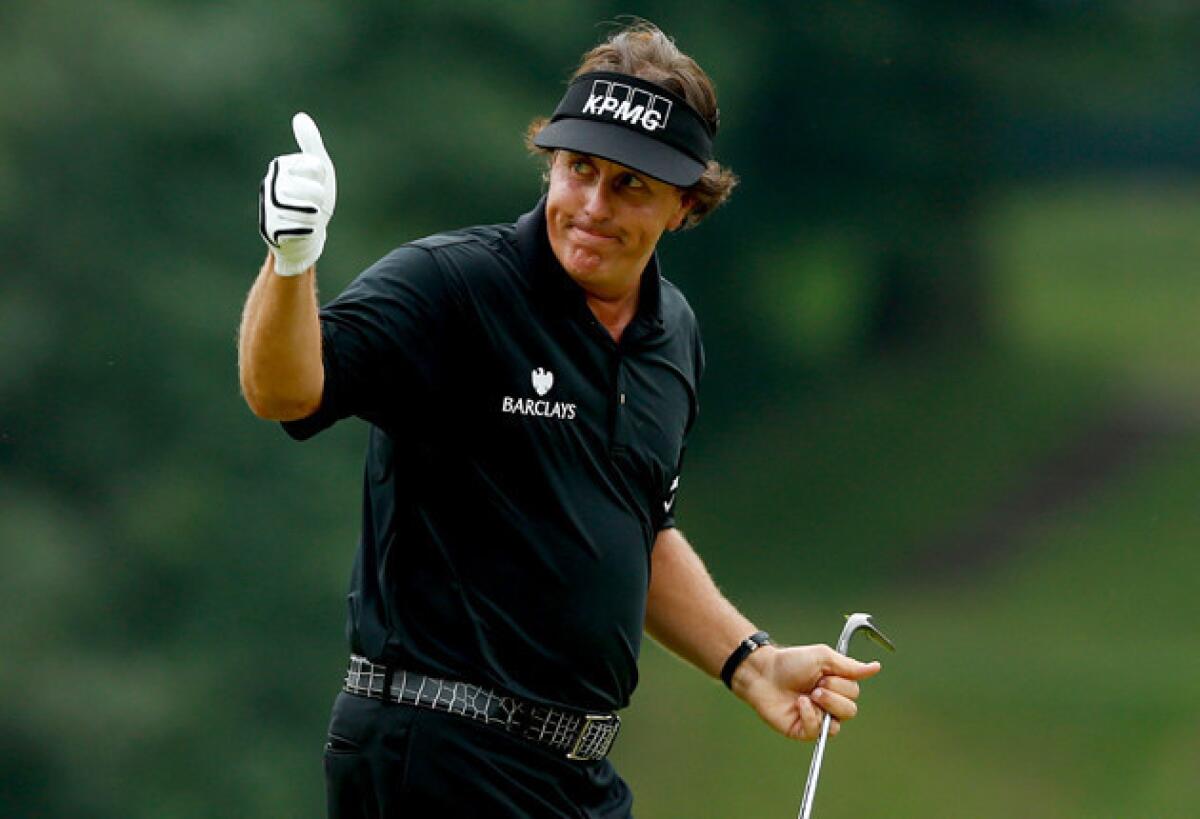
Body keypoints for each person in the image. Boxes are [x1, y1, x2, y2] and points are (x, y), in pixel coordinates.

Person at [238, 21, 881, 819]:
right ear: (551, 161)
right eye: (579, 170)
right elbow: (284, 390)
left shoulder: (671, 334)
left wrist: (751, 662)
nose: (592, 206)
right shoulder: (455, 286)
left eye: (630, 186)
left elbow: (633, 528)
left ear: (684, 205)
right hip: (435, 752)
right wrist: (291, 259)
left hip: (572, 775)